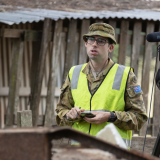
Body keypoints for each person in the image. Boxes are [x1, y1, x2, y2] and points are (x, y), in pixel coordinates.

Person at [56, 23, 148, 148]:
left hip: (112, 153)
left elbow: (140, 118)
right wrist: (70, 115)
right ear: (85, 43)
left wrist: (111, 117)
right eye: (91, 39)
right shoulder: (74, 73)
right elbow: (61, 112)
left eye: (101, 41)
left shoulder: (126, 75)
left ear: (110, 47)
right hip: (79, 152)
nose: (94, 44)